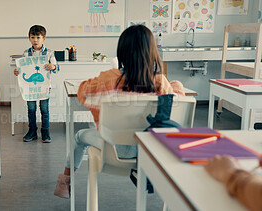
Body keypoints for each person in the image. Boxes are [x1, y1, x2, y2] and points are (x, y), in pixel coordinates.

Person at [53, 25, 185, 199]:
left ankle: (65, 183)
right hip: (148, 151)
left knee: (79, 137)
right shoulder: (160, 82)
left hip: (113, 150)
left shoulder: (110, 78)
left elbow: (83, 92)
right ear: (152, 52)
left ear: (121, 52)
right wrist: (177, 86)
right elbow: (177, 103)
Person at [13, 25, 59, 143]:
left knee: (44, 109)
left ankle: (45, 131)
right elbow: (22, 68)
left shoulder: (49, 53)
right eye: (32, 37)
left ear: (43, 38)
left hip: (44, 86)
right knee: (31, 109)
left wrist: (52, 66)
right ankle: (32, 131)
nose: (35, 40)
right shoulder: (26, 53)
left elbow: (57, 67)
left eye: (38, 37)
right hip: (29, 88)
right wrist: (18, 71)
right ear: (29, 38)